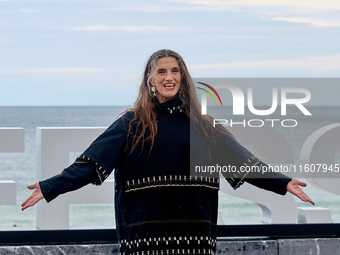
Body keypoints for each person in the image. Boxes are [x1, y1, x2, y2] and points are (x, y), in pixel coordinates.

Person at [22, 49, 314, 255]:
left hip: (194, 238)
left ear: (183, 78)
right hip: (145, 240)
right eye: (161, 71)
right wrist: (49, 187)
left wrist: (283, 182)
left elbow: (242, 161)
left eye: (175, 71)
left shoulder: (205, 127)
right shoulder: (130, 123)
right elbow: (91, 164)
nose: (169, 76)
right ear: (150, 78)